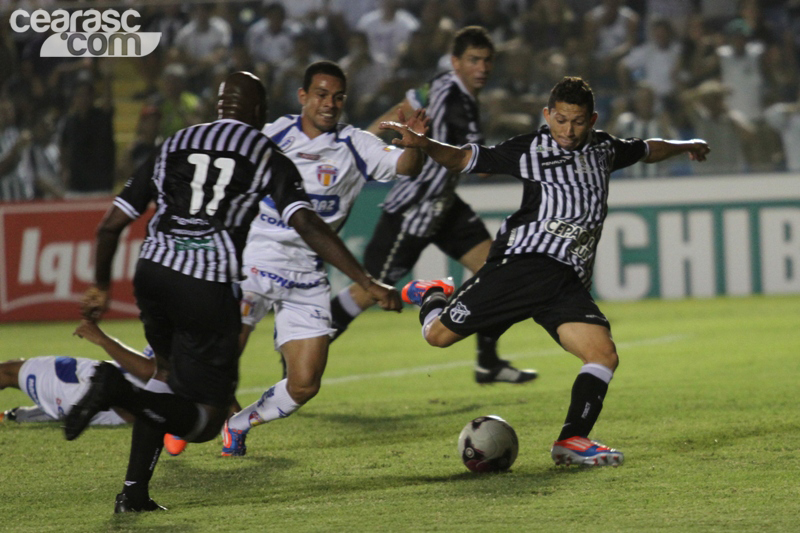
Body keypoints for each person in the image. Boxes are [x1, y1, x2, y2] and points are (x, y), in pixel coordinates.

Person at [63, 71, 401, 513]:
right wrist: (364, 279)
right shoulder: (264, 150)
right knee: (205, 418)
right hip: (208, 284)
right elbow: (306, 223)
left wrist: (101, 285)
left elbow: (110, 225)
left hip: (152, 274)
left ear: (218, 105)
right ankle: (116, 389)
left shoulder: (175, 142)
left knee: (165, 376)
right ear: (259, 113)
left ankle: (134, 491)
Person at [382, 76, 710, 467]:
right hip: (525, 263)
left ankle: (571, 440)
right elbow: (463, 159)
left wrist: (687, 145)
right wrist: (425, 144)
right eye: (560, 120)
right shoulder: (529, 149)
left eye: (576, 121)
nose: (567, 130)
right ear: (546, 115)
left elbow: (646, 150)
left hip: (566, 278)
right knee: (437, 337)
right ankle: (434, 293)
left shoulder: (604, 147)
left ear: (592, 119)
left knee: (602, 355)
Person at [219, 60, 425, 457]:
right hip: (253, 263)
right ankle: (182, 409)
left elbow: (404, 166)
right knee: (223, 356)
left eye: (337, 97)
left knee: (304, 384)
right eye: (321, 95)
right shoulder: (272, 135)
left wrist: (414, 146)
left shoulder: (354, 144)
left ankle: (237, 423)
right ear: (303, 97)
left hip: (308, 272)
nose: (329, 104)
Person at [330, 26, 537, 385]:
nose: (482, 67)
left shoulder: (440, 84)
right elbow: (481, 167)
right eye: (473, 60)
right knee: (368, 290)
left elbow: (402, 108)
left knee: (494, 267)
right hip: (413, 208)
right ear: (456, 61)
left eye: (487, 60)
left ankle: (488, 363)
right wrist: (521, 141)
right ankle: (307, 345)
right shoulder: (459, 105)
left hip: (443, 205)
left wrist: (362, 142)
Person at [1, 321, 155, 425]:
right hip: (105, 402)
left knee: (6, 372)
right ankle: (22, 415)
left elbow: (148, 370)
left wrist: (103, 339)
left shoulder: (173, 329)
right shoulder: (173, 330)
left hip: (87, 386)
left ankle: (38, 411)